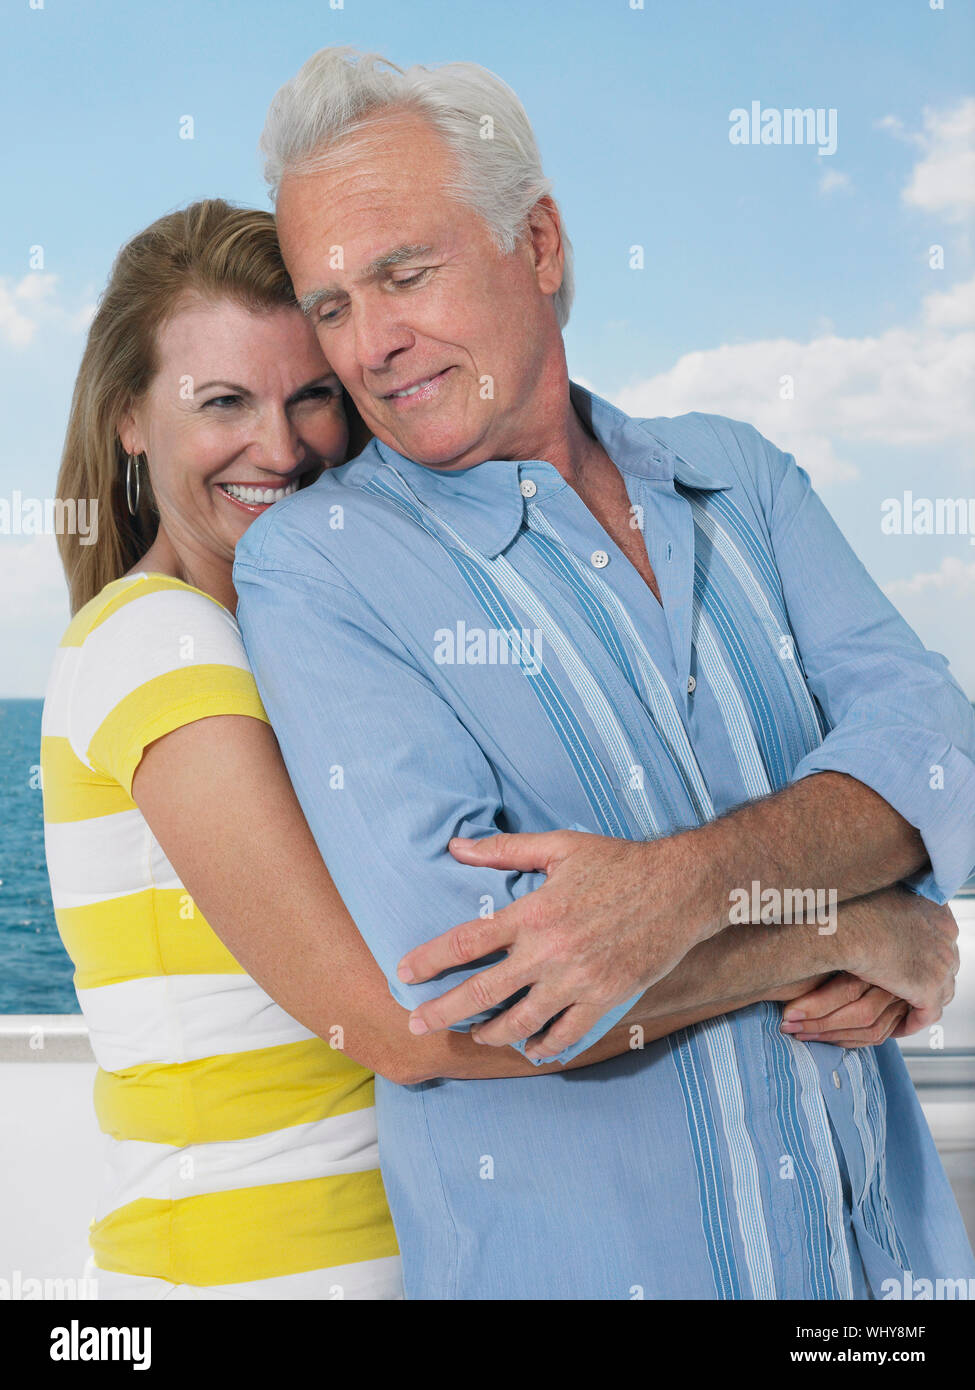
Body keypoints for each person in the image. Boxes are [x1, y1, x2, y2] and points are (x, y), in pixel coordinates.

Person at [234, 47, 975, 1300]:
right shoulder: (320, 568)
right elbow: (473, 981)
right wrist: (861, 922)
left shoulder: (739, 475)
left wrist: (680, 889)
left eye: (405, 274)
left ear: (541, 241)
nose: (370, 344)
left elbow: (940, 747)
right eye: (331, 305)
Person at [41, 199, 864, 1301]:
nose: (279, 449)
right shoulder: (163, 644)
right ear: (131, 417)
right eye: (222, 402)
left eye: (313, 397)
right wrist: (833, 935)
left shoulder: (304, 642)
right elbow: (406, 1025)